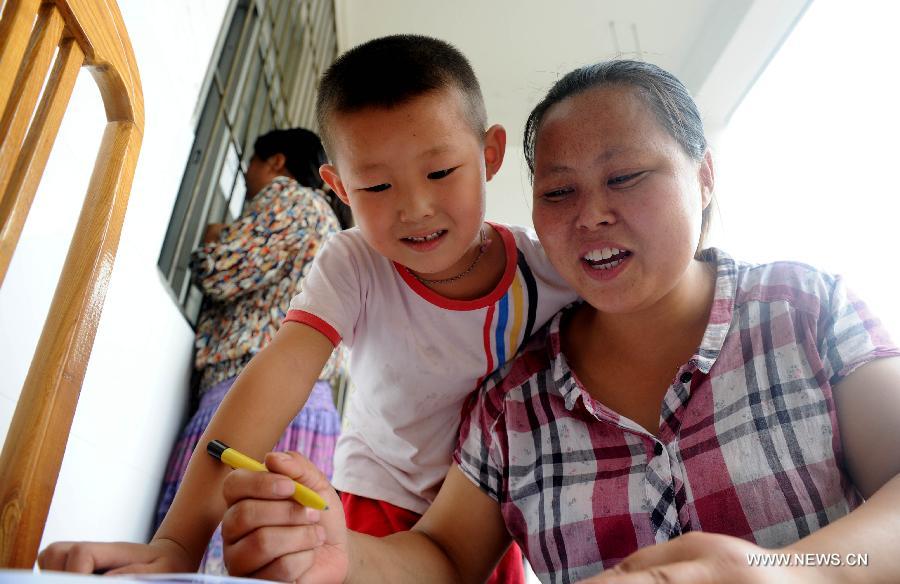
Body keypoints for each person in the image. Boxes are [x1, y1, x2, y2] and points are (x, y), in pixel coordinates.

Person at [210, 60, 900, 584]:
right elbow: (447, 555)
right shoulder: (514, 400)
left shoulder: (802, 306)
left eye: (626, 176)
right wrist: (345, 550)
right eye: (559, 191)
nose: (591, 213)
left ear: (705, 175)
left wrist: (797, 571)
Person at [37, 35, 576, 582]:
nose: (415, 207)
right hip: (375, 505)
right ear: (339, 188)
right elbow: (281, 371)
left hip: (489, 523)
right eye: (378, 185)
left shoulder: (551, 269)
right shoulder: (355, 262)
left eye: (440, 173)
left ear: (490, 156)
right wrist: (178, 542)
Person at [154, 127, 349, 574]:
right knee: (275, 564)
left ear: (277, 163)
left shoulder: (292, 201)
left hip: (252, 406)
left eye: (252, 165)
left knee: (205, 554)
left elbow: (221, 270)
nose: (247, 176)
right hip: (310, 415)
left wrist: (213, 234)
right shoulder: (331, 225)